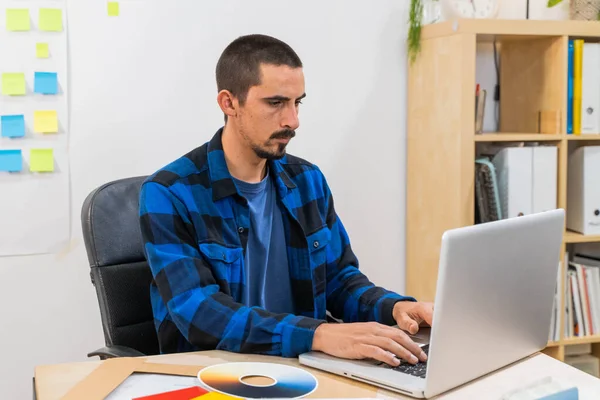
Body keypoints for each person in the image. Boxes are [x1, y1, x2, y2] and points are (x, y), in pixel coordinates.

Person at [139, 34, 433, 367]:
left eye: (297, 103)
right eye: (276, 103)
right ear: (229, 103)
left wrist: (393, 307)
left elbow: (338, 280)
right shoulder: (168, 193)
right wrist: (319, 335)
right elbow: (199, 313)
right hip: (211, 375)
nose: (292, 121)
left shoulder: (308, 181)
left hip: (304, 369)